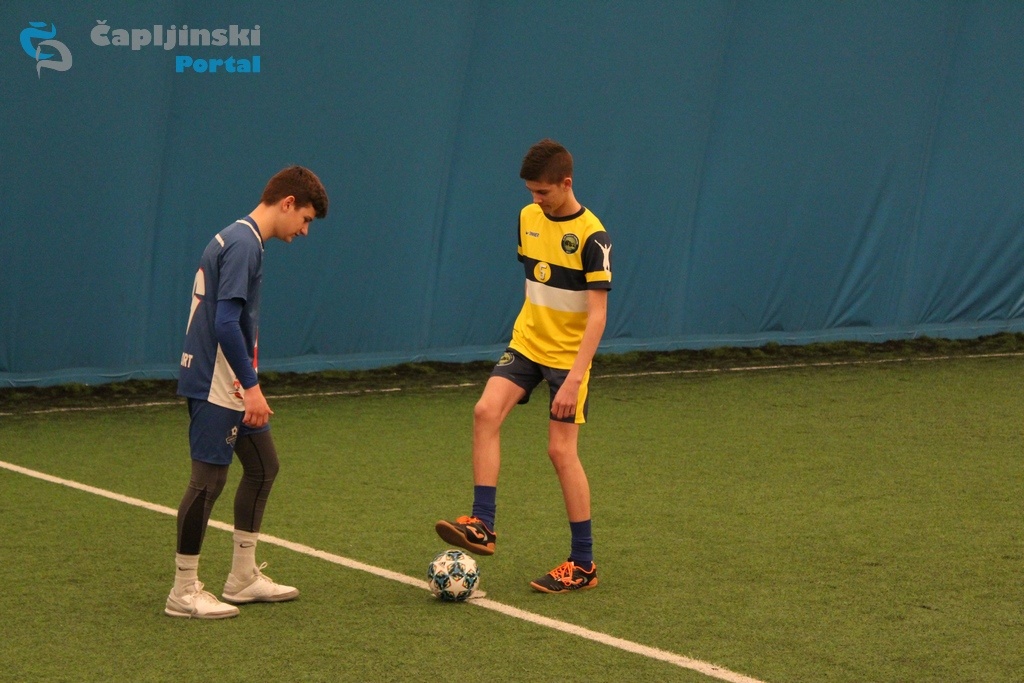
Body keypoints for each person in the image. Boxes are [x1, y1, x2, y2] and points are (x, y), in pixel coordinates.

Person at [436, 139, 612, 593]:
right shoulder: (527, 217)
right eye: (531, 191)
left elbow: (598, 316)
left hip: (568, 360)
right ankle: (483, 525)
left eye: (543, 192)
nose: (536, 199)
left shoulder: (593, 236)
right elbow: (536, 280)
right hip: (527, 344)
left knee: (560, 452)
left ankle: (583, 564)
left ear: (566, 183)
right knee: (485, 412)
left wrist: (574, 379)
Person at [165, 165, 329, 619]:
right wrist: (252, 388)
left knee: (262, 466)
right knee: (207, 482)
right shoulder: (243, 244)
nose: (305, 230)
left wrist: (247, 384)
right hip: (215, 382)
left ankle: (241, 578)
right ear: (288, 203)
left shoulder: (241, 240)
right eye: (306, 219)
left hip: (230, 381)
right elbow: (224, 324)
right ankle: (183, 590)